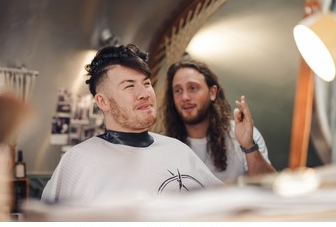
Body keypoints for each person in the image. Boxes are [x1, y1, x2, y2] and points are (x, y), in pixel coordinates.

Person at [41, 44, 223, 204]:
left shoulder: (178, 150)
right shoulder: (80, 160)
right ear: (102, 102)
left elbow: (223, 207)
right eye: (129, 86)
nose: (144, 93)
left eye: (146, 83)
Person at [163, 59, 276, 184]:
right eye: (178, 90)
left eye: (192, 88)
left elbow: (269, 186)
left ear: (212, 92)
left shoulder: (243, 135)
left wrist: (248, 146)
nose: (185, 97)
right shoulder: (165, 146)